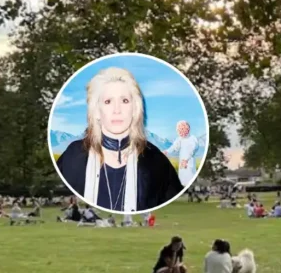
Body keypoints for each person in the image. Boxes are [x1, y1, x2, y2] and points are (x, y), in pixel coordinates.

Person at [56, 66, 183, 212]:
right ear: (96, 111)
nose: (117, 110)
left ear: (135, 110)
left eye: (125, 101)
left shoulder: (155, 161)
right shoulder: (73, 156)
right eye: (108, 102)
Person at [163, 120, 200, 187]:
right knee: (182, 177)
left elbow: (192, 149)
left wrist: (186, 159)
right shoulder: (179, 139)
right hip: (182, 161)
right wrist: (167, 151)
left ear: (188, 129)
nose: (181, 132)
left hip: (189, 161)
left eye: (183, 129)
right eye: (179, 130)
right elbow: (174, 147)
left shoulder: (192, 138)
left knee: (189, 174)